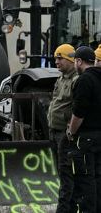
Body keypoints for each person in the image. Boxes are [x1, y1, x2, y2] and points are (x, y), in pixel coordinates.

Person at [67, 46, 101, 212]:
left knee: (86, 179)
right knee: (99, 179)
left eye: (75, 61)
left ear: (79, 61)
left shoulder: (84, 80)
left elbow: (79, 112)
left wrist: (71, 131)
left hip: (86, 138)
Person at [47, 44, 79, 212]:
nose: (56, 61)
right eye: (56, 58)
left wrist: (70, 128)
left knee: (66, 174)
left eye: (60, 58)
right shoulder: (61, 78)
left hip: (65, 135)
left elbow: (77, 107)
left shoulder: (75, 80)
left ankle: (64, 209)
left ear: (70, 59)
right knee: (62, 173)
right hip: (55, 131)